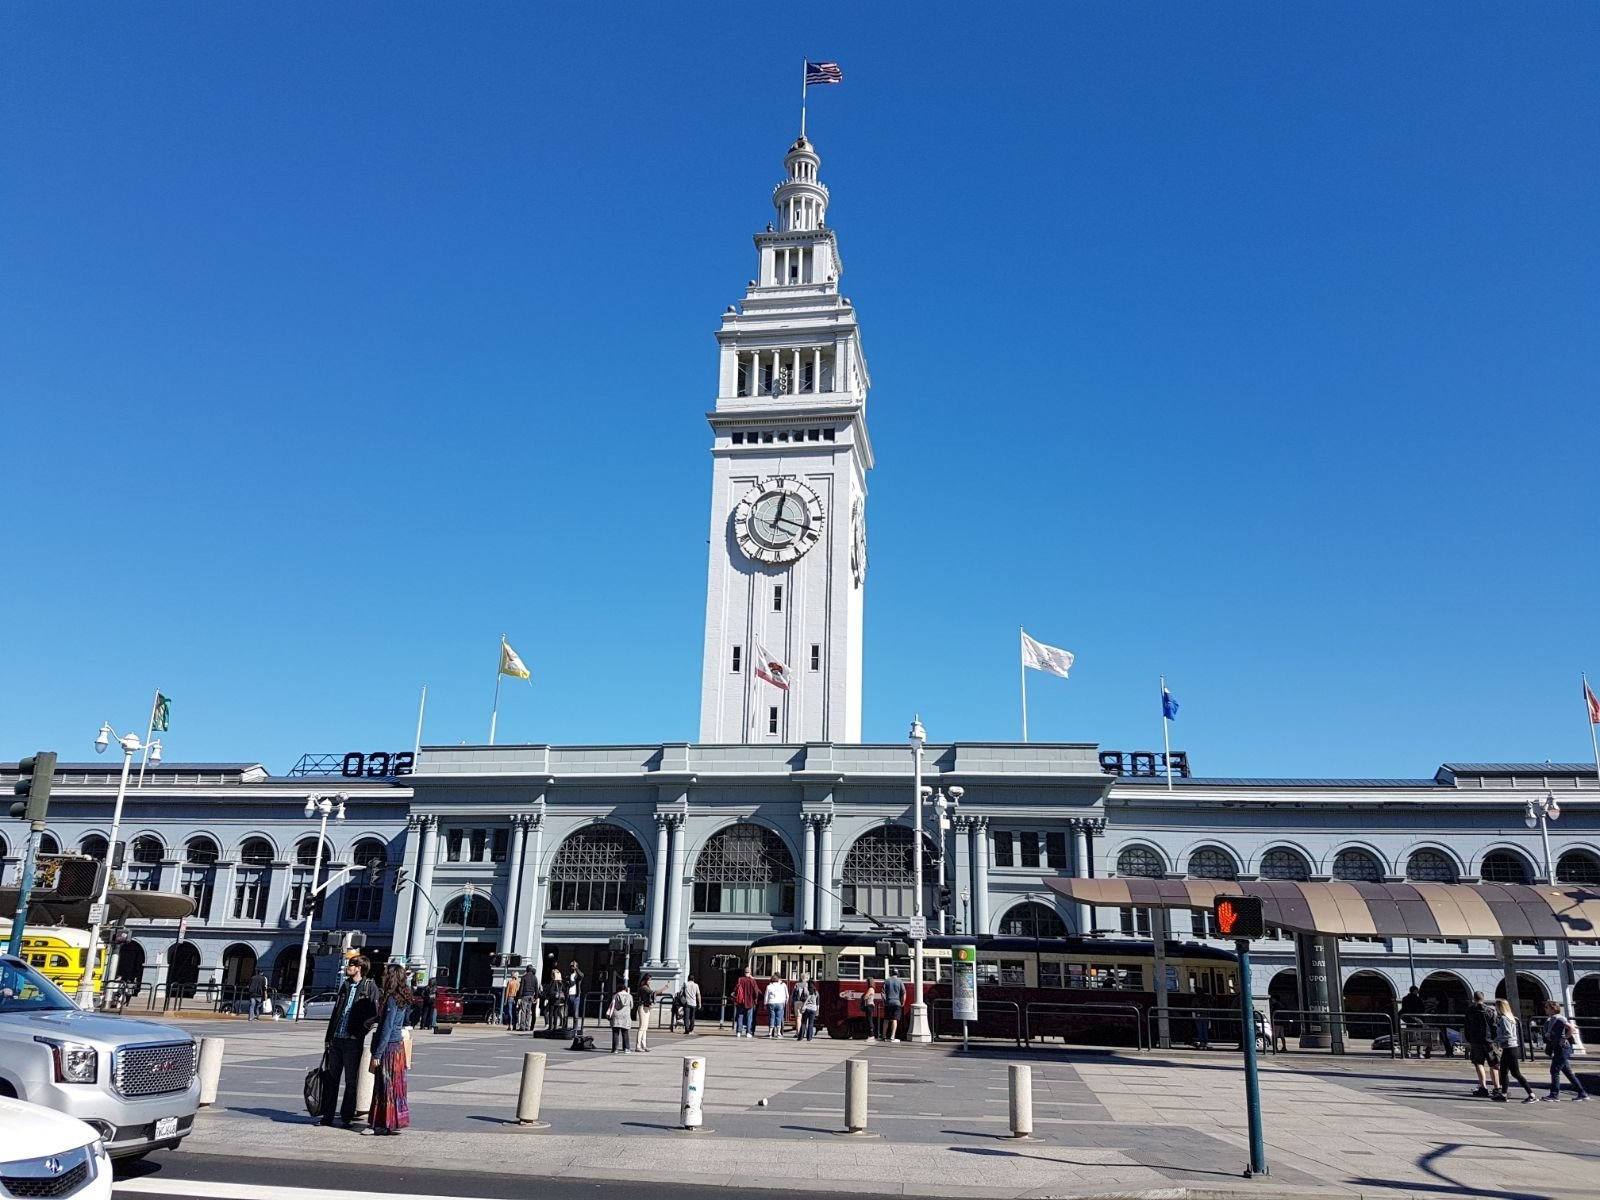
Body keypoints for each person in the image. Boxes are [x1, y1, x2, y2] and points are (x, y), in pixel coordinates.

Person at [318, 955, 378, 1129]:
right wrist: (328, 1038)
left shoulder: (368, 986)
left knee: (351, 1081)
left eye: (352, 965)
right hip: (337, 1039)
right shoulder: (344, 986)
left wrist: (358, 1034)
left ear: (359, 968)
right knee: (331, 1079)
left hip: (352, 1041)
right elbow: (336, 1012)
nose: (348, 967)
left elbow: (373, 1015)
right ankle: (327, 1116)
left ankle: (346, 1115)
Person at [363, 964, 413, 1136]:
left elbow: (387, 1027)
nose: (382, 977)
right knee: (396, 1086)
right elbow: (400, 1021)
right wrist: (375, 1018)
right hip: (398, 1046)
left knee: (383, 1086)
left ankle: (379, 1123)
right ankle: (394, 1121)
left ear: (390, 977)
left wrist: (377, 1053)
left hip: (389, 1047)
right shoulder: (403, 998)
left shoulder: (390, 998)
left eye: (385, 974)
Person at [1542, 999, 1589, 1101]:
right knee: (1567, 1072)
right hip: (1559, 1048)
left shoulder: (1559, 1018)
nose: (1545, 1009)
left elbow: (1571, 1028)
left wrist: (1565, 1037)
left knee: (1554, 1070)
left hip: (1563, 1048)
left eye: (1546, 1007)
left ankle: (1554, 1094)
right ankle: (1582, 1093)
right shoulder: (1552, 1019)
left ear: (1552, 1009)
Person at [1492, 998, 1535, 1103]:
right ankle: (1504, 1093)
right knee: (1503, 1071)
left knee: (1515, 1073)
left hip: (1510, 1047)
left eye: (1496, 1006)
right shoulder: (1510, 1018)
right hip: (1508, 1047)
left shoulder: (1503, 1019)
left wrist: (1496, 1040)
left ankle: (1531, 1094)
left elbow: (1508, 1034)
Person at [1464, 990, 1499, 1098]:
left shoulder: (1470, 1011)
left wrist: (1469, 1038)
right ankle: (1497, 1087)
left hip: (1475, 1040)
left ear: (1473, 999)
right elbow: (1494, 1026)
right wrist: (1494, 1038)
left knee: (1479, 1063)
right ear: (1483, 999)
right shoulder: (1490, 1011)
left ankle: (1483, 1087)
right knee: (1494, 1064)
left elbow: (1467, 1026)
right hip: (1489, 1041)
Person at [733, 967, 761, 1038]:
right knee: (749, 1017)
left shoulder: (740, 980)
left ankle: (739, 1032)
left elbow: (736, 990)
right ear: (750, 972)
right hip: (750, 1001)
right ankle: (748, 1032)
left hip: (740, 1001)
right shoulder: (752, 981)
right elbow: (756, 992)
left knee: (740, 1016)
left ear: (744, 972)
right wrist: (755, 999)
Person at [608, 981, 634, 1053]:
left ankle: (615, 1049)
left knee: (615, 1033)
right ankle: (626, 1048)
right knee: (625, 1032)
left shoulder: (616, 995)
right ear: (625, 989)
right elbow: (631, 1006)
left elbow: (612, 1005)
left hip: (616, 1015)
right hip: (625, 1015)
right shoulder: (629, 996)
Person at [883, 968, 906, 1043]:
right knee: (894, 1019)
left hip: (888, 1003)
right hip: (897, 1003)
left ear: (891, 973)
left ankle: (884, 1036)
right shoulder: (900, 981)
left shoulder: (887, 981)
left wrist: (885, 1001)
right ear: (897, 974)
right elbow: (904, 993)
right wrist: (903, 1002)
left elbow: (882, 993)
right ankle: (892, 1037)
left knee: (886, 1019)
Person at [763, 974, 790, 1039]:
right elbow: (786, 995)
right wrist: (785, 1002)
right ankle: (778, 1033)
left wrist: (765, 1004)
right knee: (778, 1018)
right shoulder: (782, 986)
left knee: (772, 1017)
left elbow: (766, 996)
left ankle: (770, 1033)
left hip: (771, 1003)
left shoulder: (769, 986)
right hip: (780, 1003)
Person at [634, 974, 654, 1052]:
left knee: (645, 1027)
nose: (650, 982)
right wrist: (664, 988)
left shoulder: (646, 987)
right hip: (642, 1006)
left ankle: (644, 1045)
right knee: (642, 1027)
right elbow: (652, 992)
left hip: (647, 1007)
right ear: (645, 980)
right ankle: (638, 1046)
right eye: (649, 980)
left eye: (650, 980)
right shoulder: (644, 988)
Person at [568, 962, 585, 1032]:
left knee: (575, 1013)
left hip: (575, 995)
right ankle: (564, 1026)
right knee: (565, 1013)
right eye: (571, 966)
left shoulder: (577, 975)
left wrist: (576, 968)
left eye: (573, 966)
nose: (572, 967)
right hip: (569, 995)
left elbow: (581, 975)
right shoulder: (569, 975)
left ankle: (575, 1029)